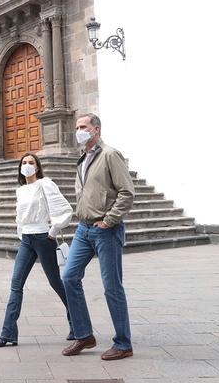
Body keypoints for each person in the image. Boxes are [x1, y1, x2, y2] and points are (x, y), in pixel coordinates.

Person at [61, 113, 135, 360]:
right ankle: (84, 335)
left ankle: (123, 343)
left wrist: (109, 220)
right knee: (69, 277)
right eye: (77, 127)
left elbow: (127, 192)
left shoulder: (110, 155)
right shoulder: (82, 158)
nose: (78, 130)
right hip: (83, 229)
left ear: (97, 130)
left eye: (83, 126)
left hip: (106, 230)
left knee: (112, 287)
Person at [0, 152, 74, 347]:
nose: (27, 165)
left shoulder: (45, 184)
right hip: (26, 240)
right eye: (24, 162)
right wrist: (22, 234)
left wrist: (53, 230)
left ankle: (77, 324)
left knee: (56, 283)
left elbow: (65, 209)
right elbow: (20, 216)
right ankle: (8, 333)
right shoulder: (20, 190)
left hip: (44, 239)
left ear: (37, 167)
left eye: (31, 162)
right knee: (16, 284)